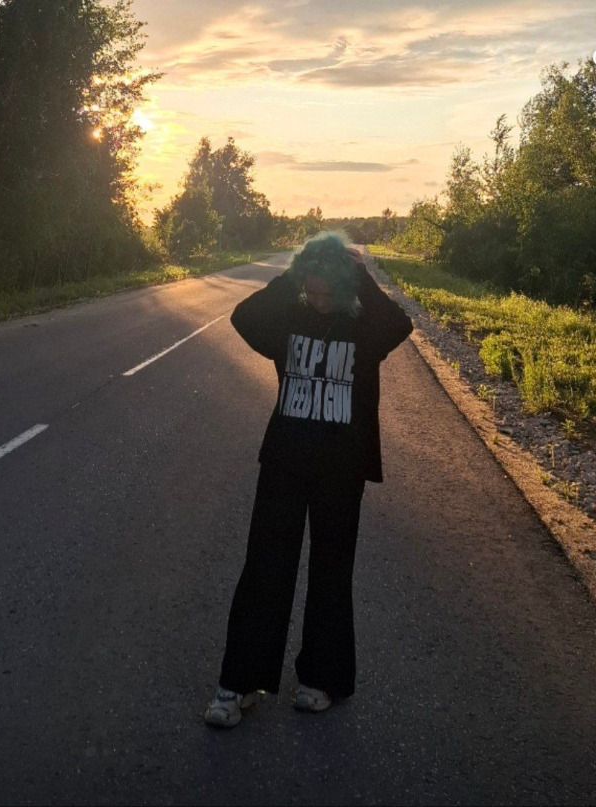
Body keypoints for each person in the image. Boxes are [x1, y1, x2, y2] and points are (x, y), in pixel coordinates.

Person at [204, 231, 413, 728]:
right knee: (264, 567)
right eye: (311, 291)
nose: (318, 301)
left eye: (327, 292)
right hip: (285, 461)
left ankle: (320, 679)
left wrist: (358, 273)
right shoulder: (289, 317)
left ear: (344, 288)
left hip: (343, 468)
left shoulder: (364, 328)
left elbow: (400, 324)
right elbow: (243, 316)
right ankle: (238, 683)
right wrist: (295, 274)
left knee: (331, 572)